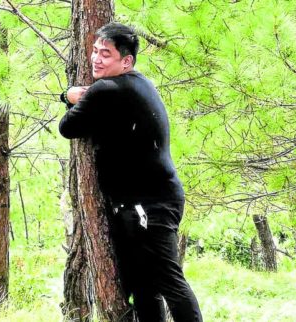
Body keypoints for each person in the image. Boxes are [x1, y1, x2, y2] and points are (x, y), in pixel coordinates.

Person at [58, 22, 203, 322]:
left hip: (149, 204)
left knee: (168, 281)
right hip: (148, 202)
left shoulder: (106, 89)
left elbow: (68, 127)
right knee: (143, 286)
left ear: (126, 61)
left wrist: (68, 96)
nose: (96, 59)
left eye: (106, 54)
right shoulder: (139, 84)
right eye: (95, 51)